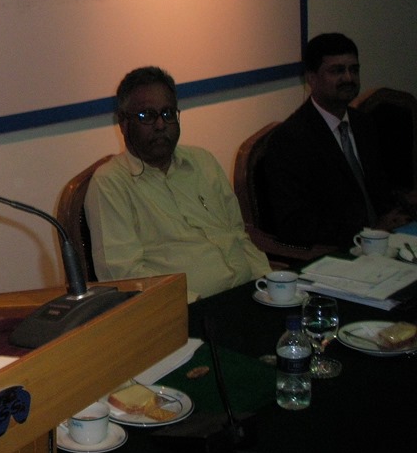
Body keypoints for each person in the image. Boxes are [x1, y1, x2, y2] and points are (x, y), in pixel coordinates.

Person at [84, 66, 271, 302]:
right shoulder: (110, 184)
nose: (161, 125)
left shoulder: (202, 162)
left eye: (168, 113)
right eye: (147, 116)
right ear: (123, 123)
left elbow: (238, 234)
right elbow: (124, 276)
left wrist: (270, 282)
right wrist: (193, 304)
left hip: (251, 292)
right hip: (188, 310)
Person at [260, 32, 410, 250]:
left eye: (354, 70)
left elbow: (379, 190)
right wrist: (368, 231)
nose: (348, 78)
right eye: (337, 71)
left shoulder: (363, 123)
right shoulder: (291, 140)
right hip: (340, 250)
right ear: (311, 78)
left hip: (387, 241)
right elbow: (295, 223)